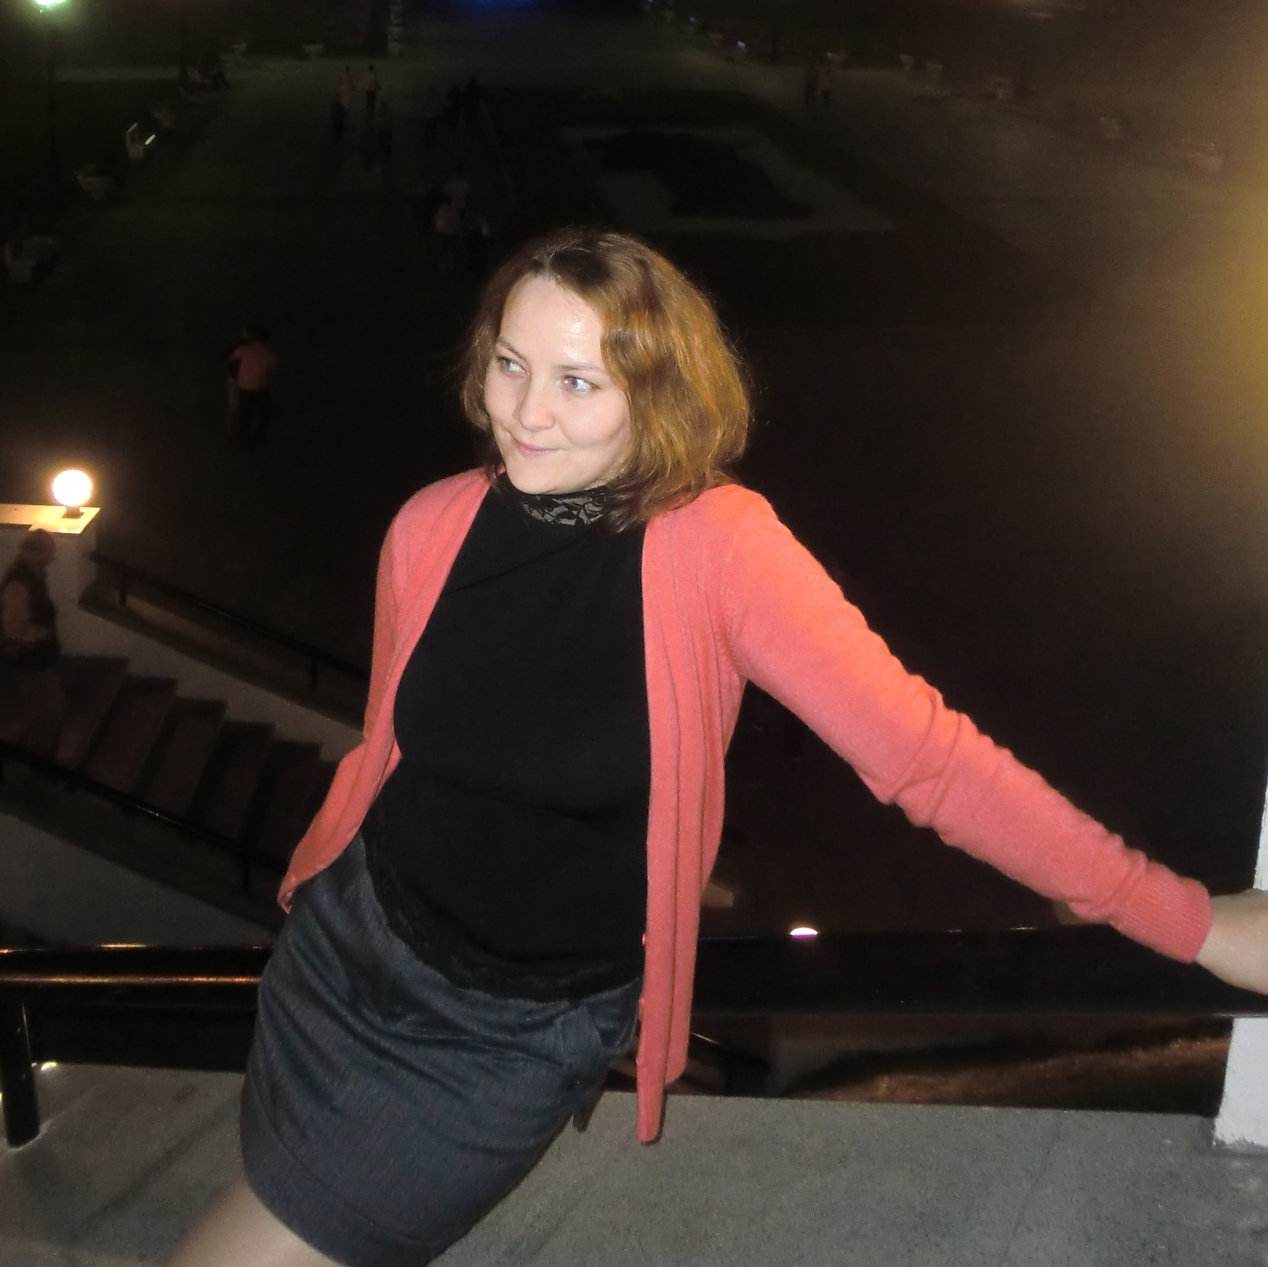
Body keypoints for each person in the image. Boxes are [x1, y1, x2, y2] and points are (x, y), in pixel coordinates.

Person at [166, 227, 1268, 1267]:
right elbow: (389, 749)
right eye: (510, 364)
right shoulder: (430, 525)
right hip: (343, 954)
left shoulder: (721, 547)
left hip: (504, 1034)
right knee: (269, 1191)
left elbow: (928, 760)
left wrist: (1185, 916)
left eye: (578, 381)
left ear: (656, 394)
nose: (526, 412)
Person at [0, 529, 65, 751]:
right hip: (30, 660)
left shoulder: (30, 577)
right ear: (32, 553)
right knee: (49, 709)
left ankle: (26, 752)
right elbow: (15, 628)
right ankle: (36, 755)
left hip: (33, 658)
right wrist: (42, 634)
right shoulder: (19, 585)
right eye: (48, 553)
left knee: (37, 710)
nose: (52, 558)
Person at [227, 326, 277, 442]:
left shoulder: (244, 349)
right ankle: (259, 435)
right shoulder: (268, 353)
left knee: (244, 414)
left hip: (244, 386)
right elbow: (273, 367)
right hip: (259, 387)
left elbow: (231, 359)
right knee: (264, 413)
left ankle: (241, 437)